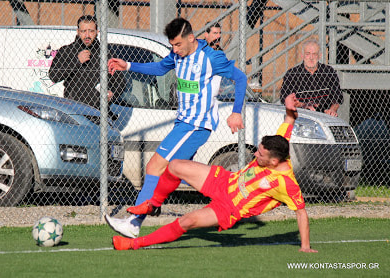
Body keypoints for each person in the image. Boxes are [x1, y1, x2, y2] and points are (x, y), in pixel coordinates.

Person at [110, 93, 318, 253]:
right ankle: (153, 205)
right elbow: (289, 122)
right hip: (224, 181)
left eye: (260, 154)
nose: (255, 153)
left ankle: (132, 243)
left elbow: (301, 212)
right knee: (174, 166)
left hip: (228, 208)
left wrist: (305, 246)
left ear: (274, 161)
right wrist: (289, 109)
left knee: (187, 222)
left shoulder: (286, 183)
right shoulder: (278, 146)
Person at [105, 17, 247, 238]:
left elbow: (241, 77)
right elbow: (161, 68)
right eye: (172, 45)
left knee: (154, 166)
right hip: (184, 123)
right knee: (175, 171)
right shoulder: (177, 54)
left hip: (195, 125)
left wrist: (236, 112)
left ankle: (134, 222)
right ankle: (226, 200)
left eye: (178, 44)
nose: (174, 49)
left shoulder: (211, 57)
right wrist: (129, 66)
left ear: (191, 38)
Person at [49, 15, 124, 110]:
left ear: (97, 32)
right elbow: (53, 75)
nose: (87, 35)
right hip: (73, 109)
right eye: (83, 31)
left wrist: (112, 92)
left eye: (91, 31)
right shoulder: (67, 51)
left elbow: (120, 81)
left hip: (98, 111)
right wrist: (76, 61)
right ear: (78, 32)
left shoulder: (105, 53)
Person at [280, 38, 343, 117]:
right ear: (302, 56)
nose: (311, 57)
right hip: (301, 116)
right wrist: (304, 105)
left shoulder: (328, 71)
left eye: (314, 54)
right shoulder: (292, 74)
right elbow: (285, 99)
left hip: (325, 116)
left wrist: (332, 110)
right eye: (308, 54)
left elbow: (337, 98)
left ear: (319, 56)